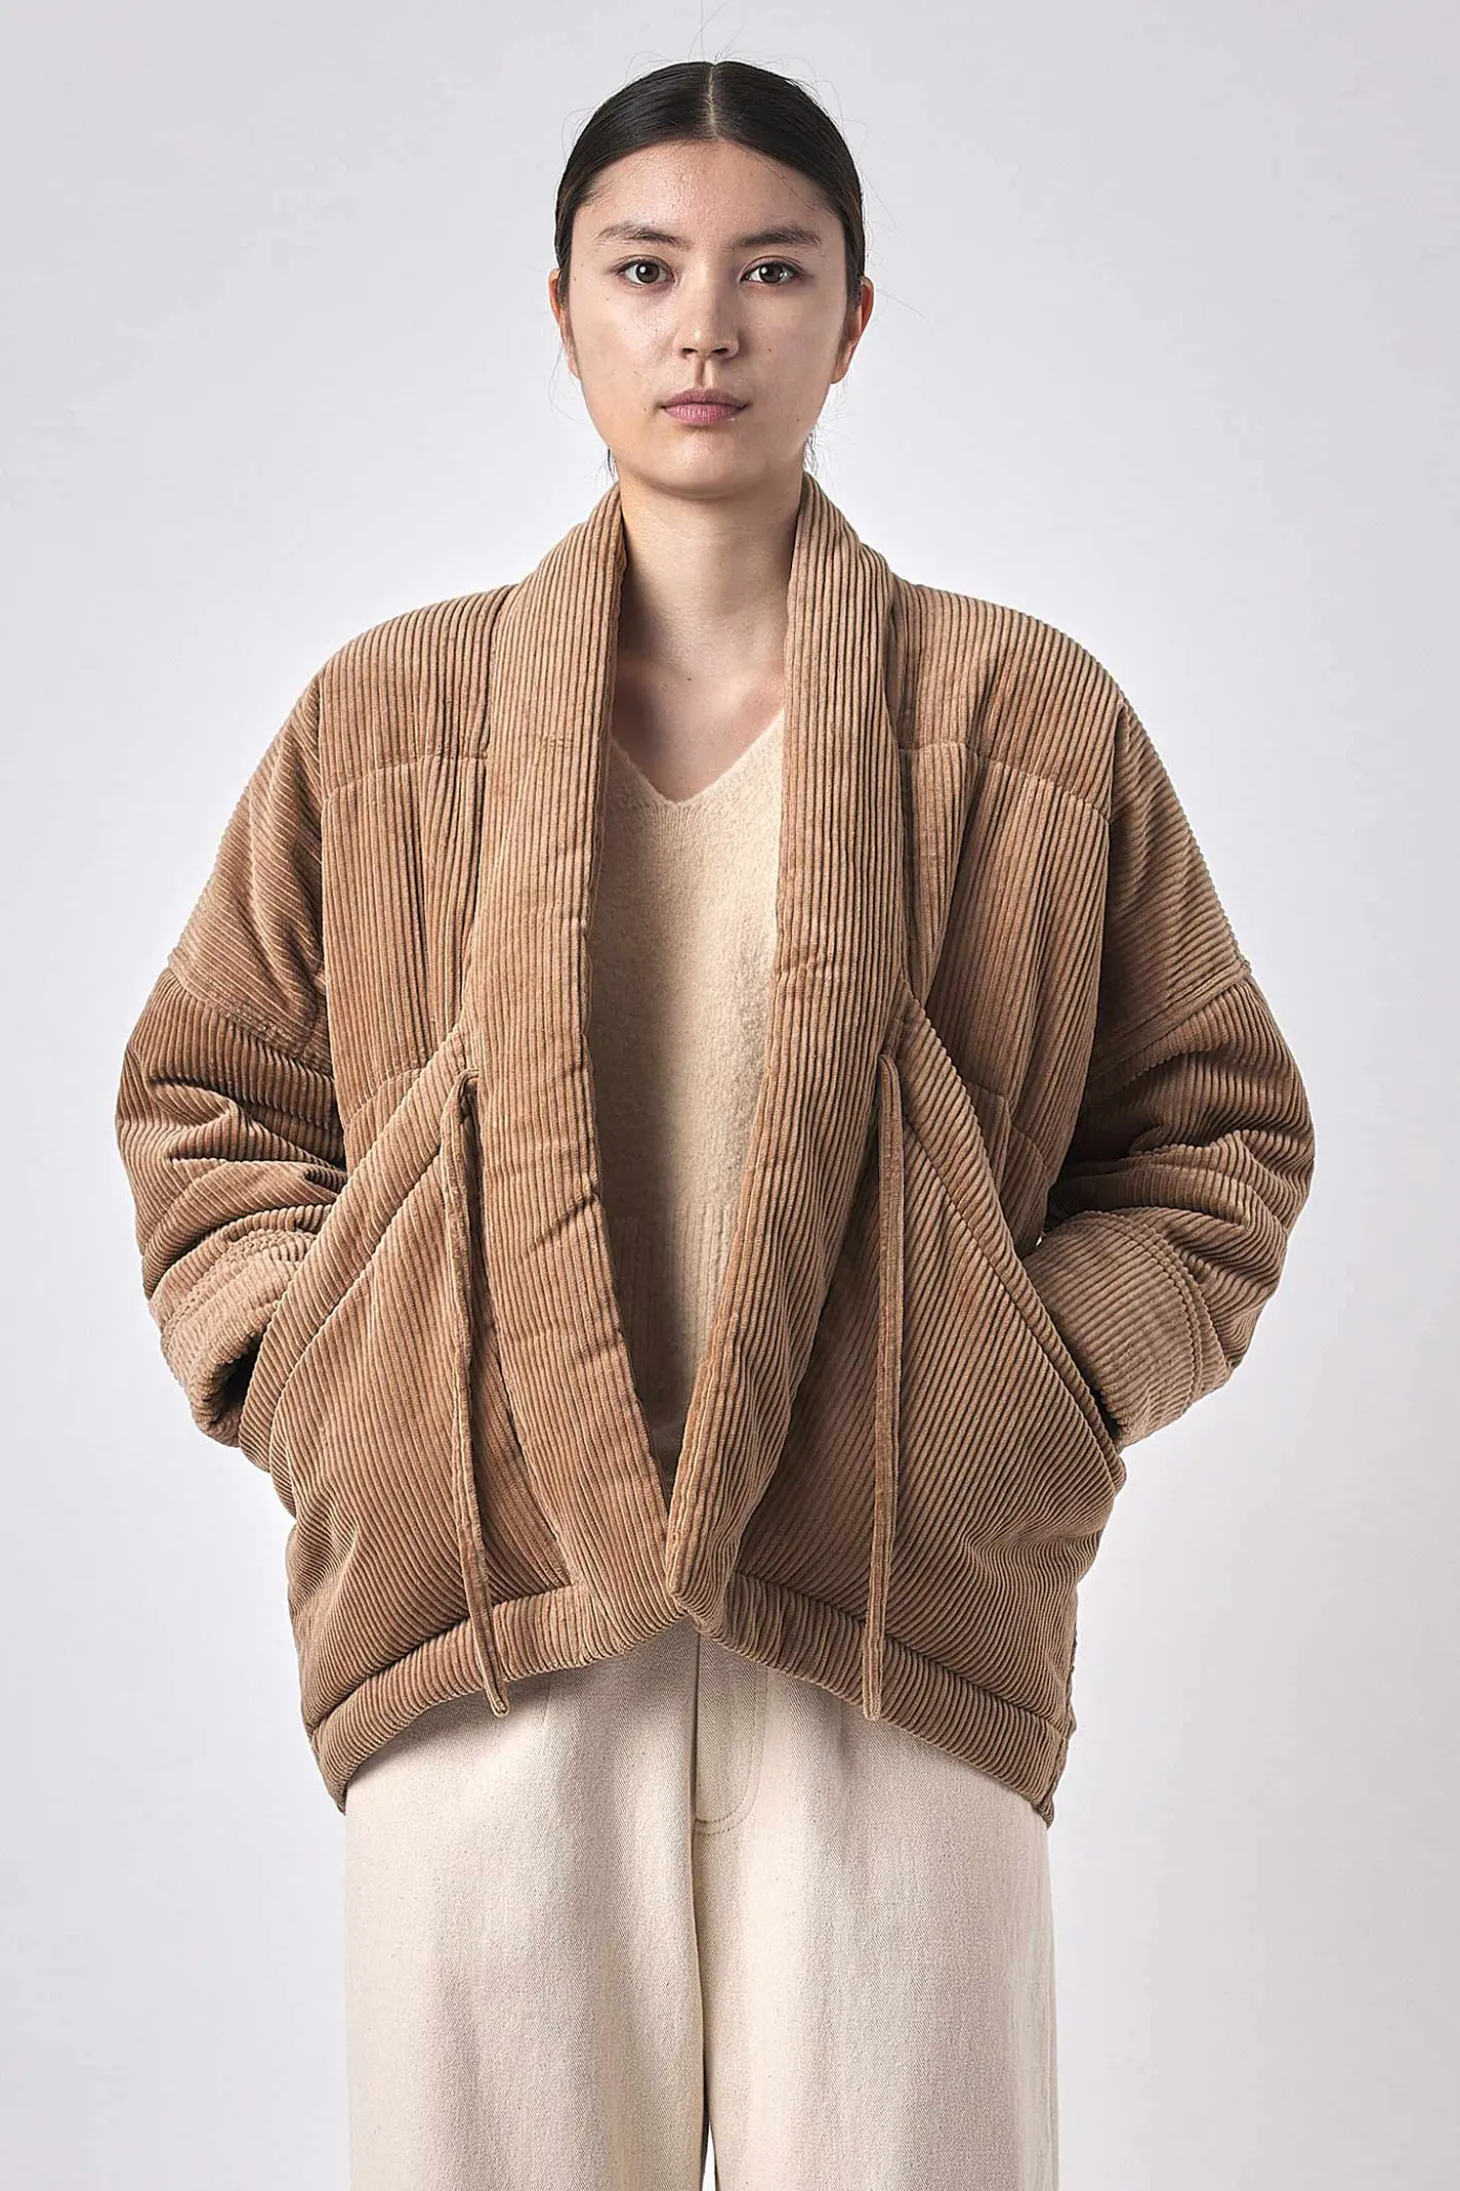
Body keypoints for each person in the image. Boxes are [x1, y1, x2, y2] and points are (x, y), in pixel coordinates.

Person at [113, 57, 1315, 2191]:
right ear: (562, 308)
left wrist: (1015, 1399)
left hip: (894, 1633)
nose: (705, 329)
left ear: (852, 320)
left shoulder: (1022, 722)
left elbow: (1215, 1133)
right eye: (644, 269)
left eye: (772, 271)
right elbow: (208, 1099)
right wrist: (333, 1378)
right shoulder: (388, 718)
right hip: (488, 1634)